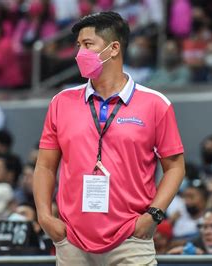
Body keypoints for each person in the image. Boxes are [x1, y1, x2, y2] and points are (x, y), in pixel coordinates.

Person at [33, 11, 185, 265]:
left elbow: (175, 167)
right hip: (72, 242)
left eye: (88, 45)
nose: (79, 53)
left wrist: (153, 215)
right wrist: (45, 217)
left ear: (114, 48)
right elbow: (45, 165)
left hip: (131, 240)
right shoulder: (61, 102)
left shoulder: (156, 104)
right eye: (79, 45)